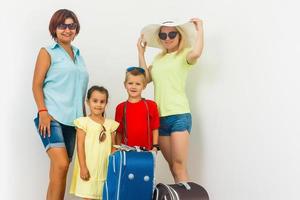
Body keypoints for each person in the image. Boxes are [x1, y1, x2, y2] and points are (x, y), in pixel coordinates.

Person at [137, 18, 204, 183]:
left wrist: (200, 29)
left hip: (179, 115)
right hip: (160, 119)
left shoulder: (184, 54)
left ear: (179, 36)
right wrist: (141, 53)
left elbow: (196, 53)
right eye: (163, 35)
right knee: (173, 167)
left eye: (172, 34)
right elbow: (144, 79)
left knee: (179, 165)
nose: (167, 38)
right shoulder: (158, 60)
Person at [32, 9, 89, 200]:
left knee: (59, 171)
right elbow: (36, 85)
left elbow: (79, 90)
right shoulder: (47, 52)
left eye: (71, 26)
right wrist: (42, 112)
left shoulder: (79, 55)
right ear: (54, 29)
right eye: (62, 26)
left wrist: (85, 121)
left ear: (76, 29)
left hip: (74, 122)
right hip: (52, 117)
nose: (67, 30)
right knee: (62, 164)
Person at [69, 86, 119, 200]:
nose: (98, 104)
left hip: (104, 170)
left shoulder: (111, 125)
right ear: (88, 102)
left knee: (103, 196)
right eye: (95, 101)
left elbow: (113, 148)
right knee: (88, 197)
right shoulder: (83, 123)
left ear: (106, 103)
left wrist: (113, 169)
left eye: (102, 101)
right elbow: (80, 147)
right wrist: (83, 167)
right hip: (89, 169)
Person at [115, 67, 160, 152]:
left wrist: (155, 147)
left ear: (144, 86)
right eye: (130, 83)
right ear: (125, 85)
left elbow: (155, 128)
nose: (133, 87)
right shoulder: (120, 108)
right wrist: (118, 149)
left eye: (138, 84)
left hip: (147, 151)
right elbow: (119, 132)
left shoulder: (151, 105)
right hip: (127, 152)